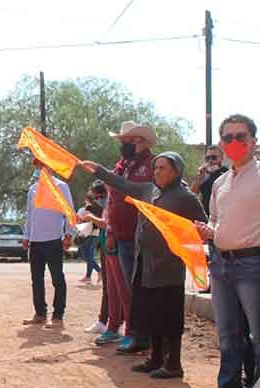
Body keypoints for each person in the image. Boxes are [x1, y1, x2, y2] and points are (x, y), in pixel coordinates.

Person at [83, 151, 207, 379]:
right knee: (151, 316)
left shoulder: (185, 197)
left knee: (169, 318)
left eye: (163, 168)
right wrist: (99, 170)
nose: (157, 172)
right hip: (145, 265)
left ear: (177, 171)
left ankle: (173, 365)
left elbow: (203, 226)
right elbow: (121, 183)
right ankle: (156, 359)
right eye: (156, 168)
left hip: (169, 268)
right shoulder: (148, 190)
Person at [195, 114, 260, 388]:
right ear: (221, 143)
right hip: (221, 265)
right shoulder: (220, 183)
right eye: (227, 138)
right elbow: (214, 218)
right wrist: (207, 229)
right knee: (227, 335)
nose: (234, 142)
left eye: (240, 137)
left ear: (253, 141)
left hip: (253, 264)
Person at [106, 121, 156, 353]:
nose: (124, 144)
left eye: (128, 140)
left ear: (141, 141)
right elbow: (112, 201)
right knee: (128, 287)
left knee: (141, 288)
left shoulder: (152, 165)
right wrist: (109, 230)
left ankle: (141, 335)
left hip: (142, 237)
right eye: (122, 140)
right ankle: (135, 333)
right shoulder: (120, 166)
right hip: (121, 235)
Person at [22, 159, 75, 329]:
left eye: (42, 165)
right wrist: (26, 236)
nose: (39, 169)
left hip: (53, 239)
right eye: (37, 166)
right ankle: (40, 314)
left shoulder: (61, 187)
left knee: (57, 279)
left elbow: (69, 211)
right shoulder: (33, 189)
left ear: (51, 167)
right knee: (36, 280)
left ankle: (58, 316)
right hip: (35, 241)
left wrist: (68, 234)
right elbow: (30, 215)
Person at [83, 181, 111, 335]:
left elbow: (105, 223)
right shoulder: (100, 205)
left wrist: (91, 217)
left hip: (113, 247)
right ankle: (104, 320)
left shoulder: (106, 204)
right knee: (108, 287)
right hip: (106, 245)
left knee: (113, 288)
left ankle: (115, 322)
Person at [191, 145, 228, 215]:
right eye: (207, 158)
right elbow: (193, 193)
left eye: (214, 157)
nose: (210, 160)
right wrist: (199, 177)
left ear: (221, 158)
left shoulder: (227, 174)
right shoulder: (204, 174)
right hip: (205, 216)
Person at [77, 192, 102, 284]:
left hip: (87, 233)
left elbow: (80, 219)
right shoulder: (98, 208)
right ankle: (88, 276)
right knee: (89, 255)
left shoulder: (85, 209)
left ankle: (99, 271)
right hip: (95, 233)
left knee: (85, 254)